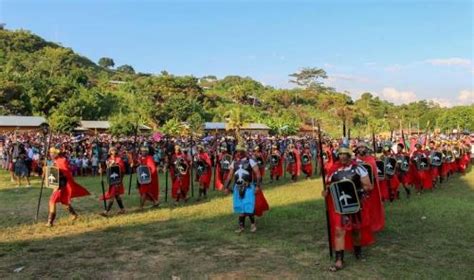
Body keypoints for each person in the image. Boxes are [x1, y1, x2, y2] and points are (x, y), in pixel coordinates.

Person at [322, 145, 374, 272]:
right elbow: (329, 186)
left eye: (345, 155)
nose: (342, 157)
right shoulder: (333, 170)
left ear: (350, 156)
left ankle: (358, 252)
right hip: (340, 206)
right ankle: (339, 260)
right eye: (340, 155)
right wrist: (326, 191)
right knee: (339, 231)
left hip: (355, 204)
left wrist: (354, 191)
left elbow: (368, 186)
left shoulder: (359, 169)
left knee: (356, 230)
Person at [224, 144, 267, 233]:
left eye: (240, 151)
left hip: (248, 187)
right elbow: (230, 176)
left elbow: (258, 174)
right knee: (240, 207)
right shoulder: (234, 163)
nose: (238, 153)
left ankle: (253, 225)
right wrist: (226, 187)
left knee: (248, 206)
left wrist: (258, 186)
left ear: (244, 152)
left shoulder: (251, 161)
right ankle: (241, 227)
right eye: (237, 151)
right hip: (238, 187)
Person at [46, 147, 90, 227]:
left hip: (62, 184)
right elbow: (54, 173)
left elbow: (65, 172)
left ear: (56, 153)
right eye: (50, 152)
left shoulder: (62, 160)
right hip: (58, 184)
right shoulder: (55, 160)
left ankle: (50, 222)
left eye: (52, 152)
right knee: (64, 201)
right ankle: (74, 215)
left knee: (52, 201)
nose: (51, 154)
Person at [99, 147, 126, 216]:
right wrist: (102, 170)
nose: (113, 151)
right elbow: (108, 170)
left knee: (112, 195)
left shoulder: (119, 159)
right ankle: (122, 209)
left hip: (117, 180)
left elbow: (122, 171)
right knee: (117, 196)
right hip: (111, 180)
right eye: (112, 150)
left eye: (114, 150)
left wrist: (120, 181)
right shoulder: (108, 160)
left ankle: (106, 212)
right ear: (110, 152)